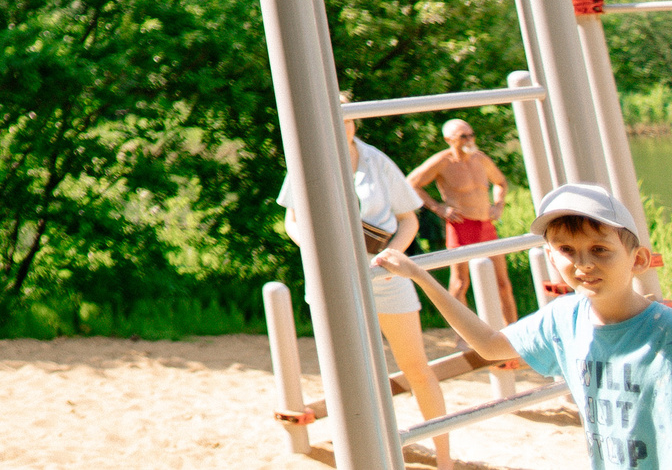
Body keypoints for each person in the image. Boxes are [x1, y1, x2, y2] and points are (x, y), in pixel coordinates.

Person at [377, 183, 672, 469]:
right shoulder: (563, 318)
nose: (584, 263)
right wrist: (420, 276)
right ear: (551, 257)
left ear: (639, 259)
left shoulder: (665, 331)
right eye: (567, 249)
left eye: (600, 249)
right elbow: (490, 345)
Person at [278, 107, 452, 469]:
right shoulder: (306, 158)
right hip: (332, 277)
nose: (342, 125)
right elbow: (292, 220)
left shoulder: (376, 160)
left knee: (416, 366)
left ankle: (444, 458)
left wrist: (392, 254)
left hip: (384, 274)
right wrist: (313, 248)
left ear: (355, 120)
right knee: (346, 372)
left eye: (347, 118)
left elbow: (408, 218)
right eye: (334, 118)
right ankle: (360, 456)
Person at [408, 117, 512, 318]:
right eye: (463, 136)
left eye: (471, 135)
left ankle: (514, 331)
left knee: (503, 283)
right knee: (460, 283)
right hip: (460, 225)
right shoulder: (443, 161)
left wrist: (498, 205)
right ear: (449, 139)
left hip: (485, 224)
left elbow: (501, 182)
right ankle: (462, 338)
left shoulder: (480, 159)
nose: (469, 140)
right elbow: (412, 183)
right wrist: (438, 208)